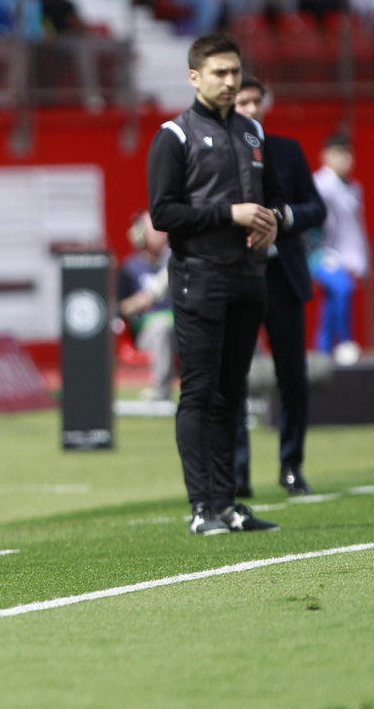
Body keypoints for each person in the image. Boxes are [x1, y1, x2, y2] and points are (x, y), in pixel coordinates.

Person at [146, 33, 285, 536]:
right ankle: (201, 506)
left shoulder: (252, 133)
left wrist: (275, 221)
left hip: (249, 278)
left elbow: (277, 201)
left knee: (232, 393)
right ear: (194, 77)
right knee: (200, 393)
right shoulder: (174, 135)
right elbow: (163, 213)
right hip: (199, 278)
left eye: (235, 72)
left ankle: (228, 504)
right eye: (220, 73)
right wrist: (230, 214)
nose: (230, 81)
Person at [232, 78, 324, 497]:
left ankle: (291, 465)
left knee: (293, 377)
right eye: (243, 101)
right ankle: (237, 473)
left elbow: (314, 207)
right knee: (232, 376)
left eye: (256, 100)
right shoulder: (221, 151)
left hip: (282, 277)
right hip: (237, 276)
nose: (251, 107)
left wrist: (283, 216)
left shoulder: (286, 150)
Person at [312, 133, 368, 361]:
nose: (344, 160)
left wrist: (362, 260)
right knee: (343, 288)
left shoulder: (354, 188)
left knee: (333, 299)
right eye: (338, 154)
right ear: (325, 156)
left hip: (344, 256)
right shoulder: (318, 183)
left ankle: (323, 351)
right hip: (318, 254)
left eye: (348, 154)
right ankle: (344, 342)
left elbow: (356, 228)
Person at [117, 212, 174, 401]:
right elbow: (119, 308)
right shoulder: (129, 269)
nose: (164, 235)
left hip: (180, 327)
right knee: (161, 328)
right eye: (157, 231)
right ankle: (161, 389)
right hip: (147, 332)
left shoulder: (175, 263)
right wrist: (139, 302)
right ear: (140, 236)